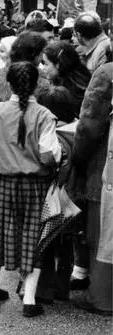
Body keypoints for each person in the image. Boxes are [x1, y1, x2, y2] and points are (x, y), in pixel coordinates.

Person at [0, 62, 61, 318]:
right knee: (34, 236)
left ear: (9, 83)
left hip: (3, 183)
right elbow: (47, 155)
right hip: (34, 186)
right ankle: (30, 300)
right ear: (36, 85)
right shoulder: (44, 114)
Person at [67, 61, 113, 316]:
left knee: (102, 230)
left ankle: (103, 297)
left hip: (105, 166)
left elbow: (89, 125)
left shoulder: (107, 74)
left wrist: (79, 158)